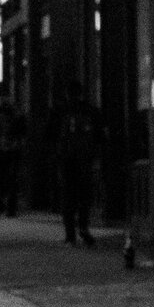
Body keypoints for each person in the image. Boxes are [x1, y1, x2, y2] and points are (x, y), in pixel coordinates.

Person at [56, 90, 103, 246]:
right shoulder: (91, 111)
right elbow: (100, 136)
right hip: (85, 161)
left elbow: (50, 135)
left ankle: (70, 235)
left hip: (67, 161)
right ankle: (83, 227)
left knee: (68, 197)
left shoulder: (61, 111)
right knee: (84, 196)